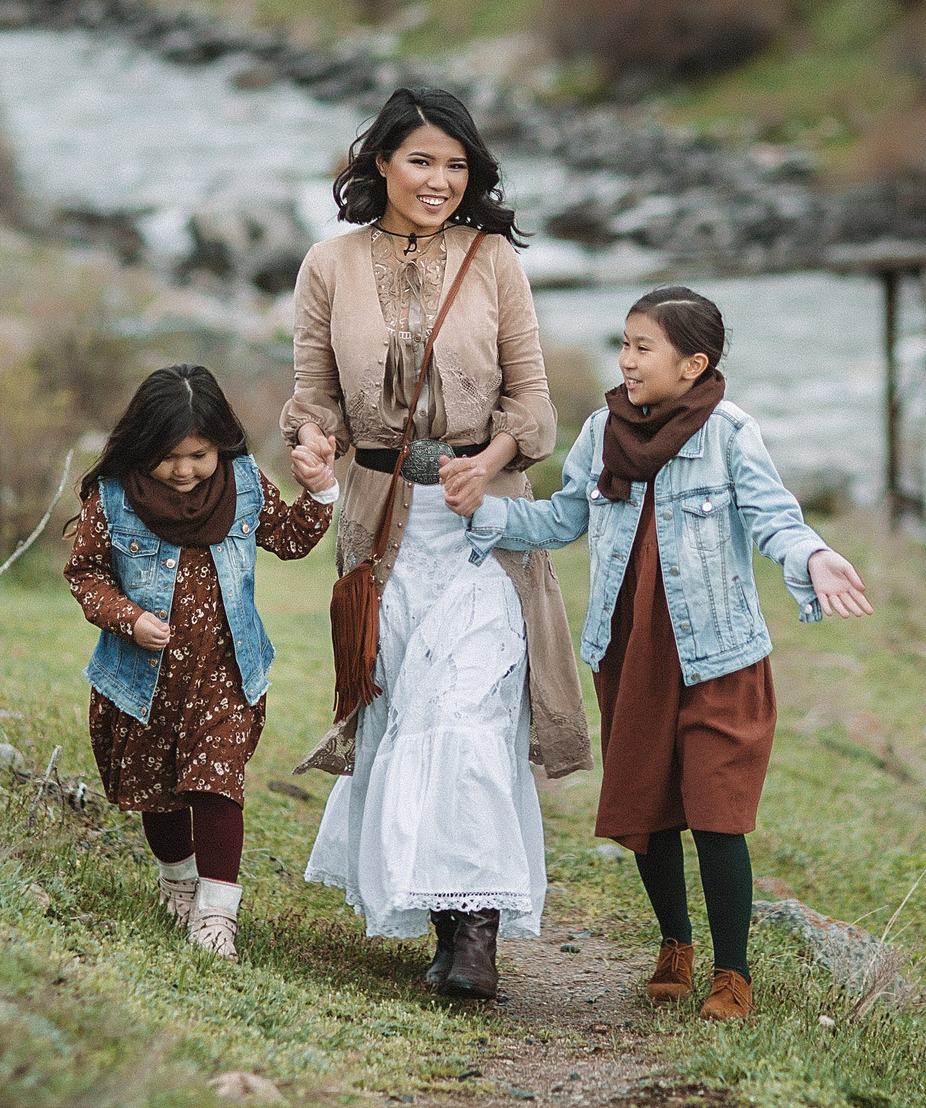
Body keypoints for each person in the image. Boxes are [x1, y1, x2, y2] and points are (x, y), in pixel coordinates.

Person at [452, 285, 873, 1022]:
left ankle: (732, 973)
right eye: (624, 342)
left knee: (717, 811)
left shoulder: (731, 432)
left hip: (720, 654)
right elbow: (561, 518)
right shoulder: (600, 431)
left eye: (644, 346)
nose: (627, 358)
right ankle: (674, 945)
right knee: (649, 806)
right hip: (633, 649)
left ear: (693, 363)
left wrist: (814, 556)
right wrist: (482, 509)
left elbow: (774, 517)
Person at [286, 86, 588, 1000]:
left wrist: (487, 457)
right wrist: (310, 445)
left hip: (481, 530)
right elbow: (314, 395)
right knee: (404, 712)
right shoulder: (328, 265)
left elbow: (534, 404)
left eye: (457, 166)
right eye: (422, 160)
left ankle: (472, 939)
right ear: (379, 161)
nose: (441, 181)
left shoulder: (494, 261)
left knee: (468, 716)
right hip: (381, 530)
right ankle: (435, 905)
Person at [64, 364, 340, 960]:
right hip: (143, 684)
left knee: (217, 785)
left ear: (221, 445)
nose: (185, 470)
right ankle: (179, 879)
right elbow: (84, 573)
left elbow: (290, 540)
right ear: (142, 447)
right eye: (169, 457)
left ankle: (218, 914)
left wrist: (319, 490)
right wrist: (126, 617)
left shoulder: (242, 483)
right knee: (158, 795)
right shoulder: (114, 498)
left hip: (226, 674)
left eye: (199, 454)